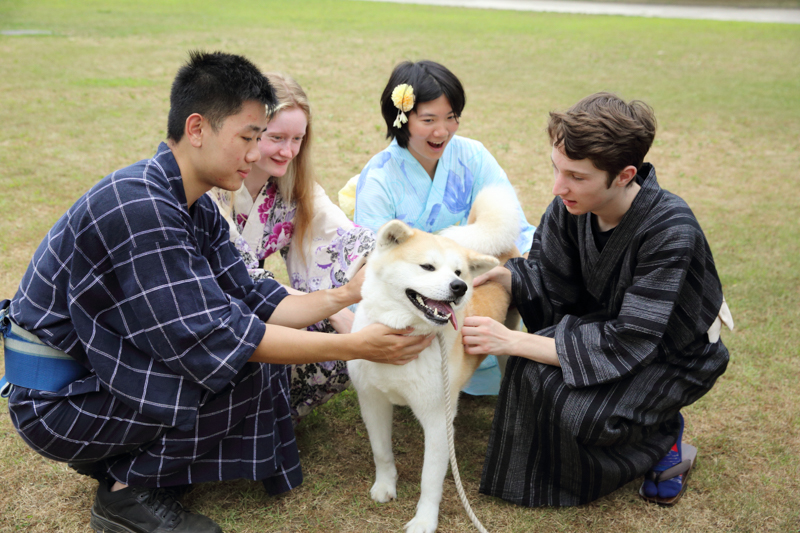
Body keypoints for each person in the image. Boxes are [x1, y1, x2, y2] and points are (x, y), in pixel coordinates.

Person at [0, 51, 432, 533]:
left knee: (256, 360)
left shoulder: (191, 203)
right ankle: (126, 492)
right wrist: (352, 345)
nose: (256, 154)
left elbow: (255, 298)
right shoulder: (140, 207)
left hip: (101, 376)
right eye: (249, 138)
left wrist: (344, 297)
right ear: (198, 128)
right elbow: (218, 342)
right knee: (245, 366)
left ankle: (125, 463)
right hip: (58, 402)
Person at [461, 92, 733, 507]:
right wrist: (511, 277)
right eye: (556, 169)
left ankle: (660, 434)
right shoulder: (570, 206)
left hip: (674, 354)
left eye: (576, 176)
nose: (558, 186)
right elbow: (554, 287)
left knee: (580, 414)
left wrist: (512, 341)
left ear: (624, 175)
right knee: (531, 376)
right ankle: (626, 437)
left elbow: (630, 340)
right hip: (608, 331)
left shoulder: (671, 227)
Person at [351, 60, 536, 395]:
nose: (443, 131)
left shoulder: (473, 156)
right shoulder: (379, 176)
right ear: (402, 118)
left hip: (477, 283)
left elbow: (515, 227)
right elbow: (372, 259)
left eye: (451, 117)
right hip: (413, 301)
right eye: (429, 120)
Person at [208, 73, 375, 422]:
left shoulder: (294, 185)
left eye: (298, 139)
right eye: (277, 137)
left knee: (338, 343)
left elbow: (343, 237)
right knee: (331, 325)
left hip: (261, 301)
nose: (289, 151)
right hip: (213, 310)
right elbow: (238, 276)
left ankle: (272, 420)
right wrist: (332, 307)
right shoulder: (212, 189)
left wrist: (406, 260)